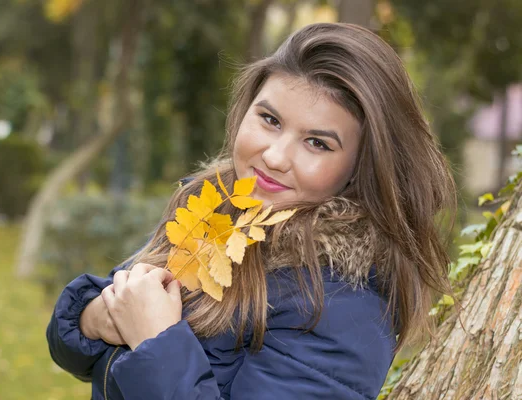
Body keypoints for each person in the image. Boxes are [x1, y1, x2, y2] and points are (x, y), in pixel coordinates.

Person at [46, 23, 456, 400]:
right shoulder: (215, 211)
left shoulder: (343, 306)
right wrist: (95, 320)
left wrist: (156, 340)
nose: (275, 156)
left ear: (360, 168)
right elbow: (75, 347)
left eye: (318, 143)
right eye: (270, 119)